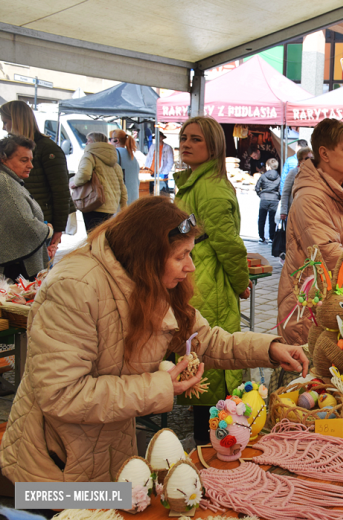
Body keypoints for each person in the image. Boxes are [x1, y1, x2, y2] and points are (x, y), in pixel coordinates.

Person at [0, 197, 308, 483]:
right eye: (181, 256)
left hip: (108, 453)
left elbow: (203, 340)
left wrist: (269, 348)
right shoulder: (74, 287)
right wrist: (161, 387)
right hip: (51, 469)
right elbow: (61, 394)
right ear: (149, 255)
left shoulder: (150, 282)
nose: (191, 267)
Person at [173, 116, 253, 444]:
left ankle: (215, 444)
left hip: (209, 285)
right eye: (184, 138)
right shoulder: (196, 182)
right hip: (198, 282)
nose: (186, 144)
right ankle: (212, 444)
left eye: (196, 140)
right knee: (205, 361)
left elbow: (229, 245)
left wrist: (239, 281)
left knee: (209, 362)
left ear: (214, 148)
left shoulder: (210, 187)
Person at [277, 118, 343, 345]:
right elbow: (333, 261)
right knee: (318, 378)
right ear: (324, 154)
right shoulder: (309, 198)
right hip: (314, 316)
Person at [0, 100, 73, 261]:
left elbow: (61, 192)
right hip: (21, 224)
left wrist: (58, 229)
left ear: (17, 119)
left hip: (41, 225)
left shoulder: (48, 149)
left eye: (5, 122)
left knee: (37, 273)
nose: (4, 127)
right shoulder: (10, 148)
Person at [0, 135, 52, 281]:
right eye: (24, 160)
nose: (31, 165)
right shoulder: (6, 183)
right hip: (17, 267)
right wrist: (48, 231)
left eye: (30, 160)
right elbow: (23, 223)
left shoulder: (10, 180)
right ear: (3, 158)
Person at [72, 132, 127, 233]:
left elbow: (84, 175)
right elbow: (122, 187)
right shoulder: (114, 162)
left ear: (94, 142)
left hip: (94, 203)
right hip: (111, 207)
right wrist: (123, 207)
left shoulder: (89, 156)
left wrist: (74, 182)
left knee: (94, 238)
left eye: (88, 140)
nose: (86, 143)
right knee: (103, 238)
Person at [280, 147, 313, 221]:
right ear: (300, 160)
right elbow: (285, 192)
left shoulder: (315, 173)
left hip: (309, 211)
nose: (310, 161)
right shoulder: (293, 172)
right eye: (307, 158)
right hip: (295, 211)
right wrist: (283, 211)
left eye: (312, 158)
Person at [110, 129, 141, 204]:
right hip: (133, 195)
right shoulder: (131, 155)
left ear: (116, 140)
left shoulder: (115, 154)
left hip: (121, 196)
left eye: (110, 139)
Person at [255, 158, 281, 244]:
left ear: (268, 166)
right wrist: (277, 197)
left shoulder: (263, 176)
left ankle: (261, 237)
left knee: (262, 219)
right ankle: (271, 238)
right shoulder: (279, 177)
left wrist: (261, 195)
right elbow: (280, 190)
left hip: (264, 199)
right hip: (274, 200)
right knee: (272, 219)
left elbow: (257, 187)